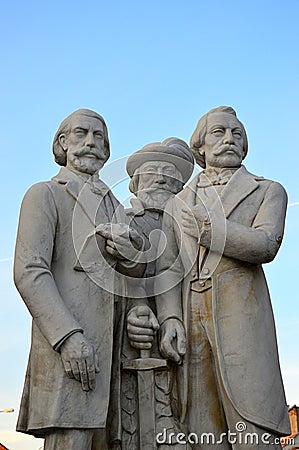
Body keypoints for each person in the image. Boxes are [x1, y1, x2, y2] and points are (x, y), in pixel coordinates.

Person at [154, 106, 291, 448]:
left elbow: (266, 243)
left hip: (241, 320)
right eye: (219, 132)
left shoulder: (268, 190)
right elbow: (168, 267)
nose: (229, 139)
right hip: (190, 319)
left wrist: (211, 229)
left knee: (253, 430)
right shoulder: (178, 202)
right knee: (200, 429)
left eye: (237, 134)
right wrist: (171, 317)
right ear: (199, 146)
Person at [14, 109, 141, 450]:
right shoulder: (44, 195)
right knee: (71, 440)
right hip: (69, 350)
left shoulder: (117, 207)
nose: (90, 142)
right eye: (81, 133)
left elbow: (132, 279)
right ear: (62, 144)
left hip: (113, 356)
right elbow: (30, 271)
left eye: (99, 136)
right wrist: (67, 337)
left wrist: (131, 255)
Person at [108, 139, 194, 449]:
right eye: (152, 171)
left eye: (170, 173)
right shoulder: (123, 221)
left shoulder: (193, 223)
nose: (160, 177)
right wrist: (135, 308)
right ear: (135, 182)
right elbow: (114, 278)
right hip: (137, 349)